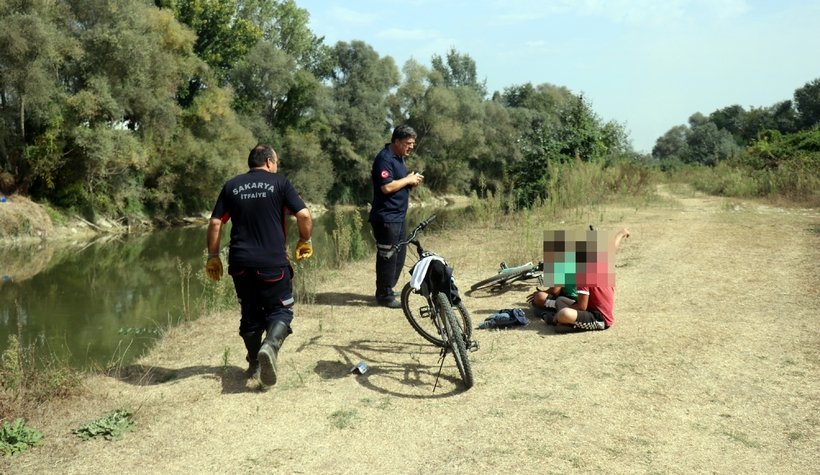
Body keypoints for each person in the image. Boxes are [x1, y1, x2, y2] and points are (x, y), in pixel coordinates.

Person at [205, 144, 313, 387]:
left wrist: (213, 256)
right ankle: (270, 347)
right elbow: (304, 215)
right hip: (273, 263)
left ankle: (254, 361)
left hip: (240, 263)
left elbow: (215, 223)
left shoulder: (232, 185)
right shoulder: (280, 183)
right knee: (281, 310)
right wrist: (305, 240)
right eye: (276, 162)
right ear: (268, 162)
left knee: (250, 313)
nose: (277, 166)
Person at [529, 228, 629, 331]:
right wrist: (621, 233)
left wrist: (559, 314)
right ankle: (562, 320)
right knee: (560, 300)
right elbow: (612, 248)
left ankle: (561, 320)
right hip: (590, 309)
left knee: (563, 313)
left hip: (600, 318)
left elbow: (581, 307)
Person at [369, 125, 424, 308]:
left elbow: (396, 184)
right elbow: (386, 187)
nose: (411, 147)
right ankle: (384, 295)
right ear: (397, 141)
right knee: (388, 256)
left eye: (413, 143)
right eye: (408, 143)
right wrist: (407, 180)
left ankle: (388, 289)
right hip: (386, 218)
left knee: (399, 256)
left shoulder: (398, 158)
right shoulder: (384, 159)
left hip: (398, 217)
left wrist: (409, 181)